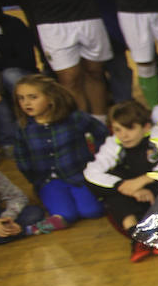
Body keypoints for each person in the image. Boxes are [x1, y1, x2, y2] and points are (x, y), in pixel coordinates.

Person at [11, 74, 109, 223]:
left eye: (33, 97)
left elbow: (102, 133)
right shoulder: (23, 127)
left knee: (92, 211)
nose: (26, 103)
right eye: (21, 98)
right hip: (48, 180)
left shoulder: (74, 118)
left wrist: (97, 159)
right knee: (66, 215)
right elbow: (21, 157)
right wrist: (35, 179)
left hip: (79, 175)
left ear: (51, 98)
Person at [83, 100, 158, 257]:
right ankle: (137, 235)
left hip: (156, 188)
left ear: (146, 127)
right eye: (117, 129)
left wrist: (145, 179)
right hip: (133, 193)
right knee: (111, 192)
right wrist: (124, 186)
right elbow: (92, 172)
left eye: (129, 128)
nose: (123, 135)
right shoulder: (114, 144)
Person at [0, 154, 65, 245]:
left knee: (34, 212)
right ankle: (30, 229)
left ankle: (15, 230)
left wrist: (8, 218)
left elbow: (17, 196)